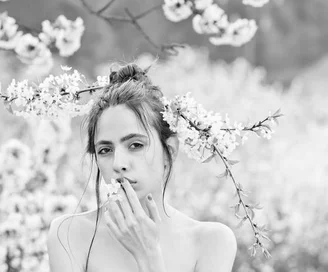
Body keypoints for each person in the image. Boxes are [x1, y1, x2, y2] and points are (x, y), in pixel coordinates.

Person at [47, 63, 237, 272]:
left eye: (135, 145)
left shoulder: (211, 243)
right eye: (105, 150)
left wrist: (148, 255)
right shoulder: (69, 235)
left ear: (170, 150)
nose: (119, 164)